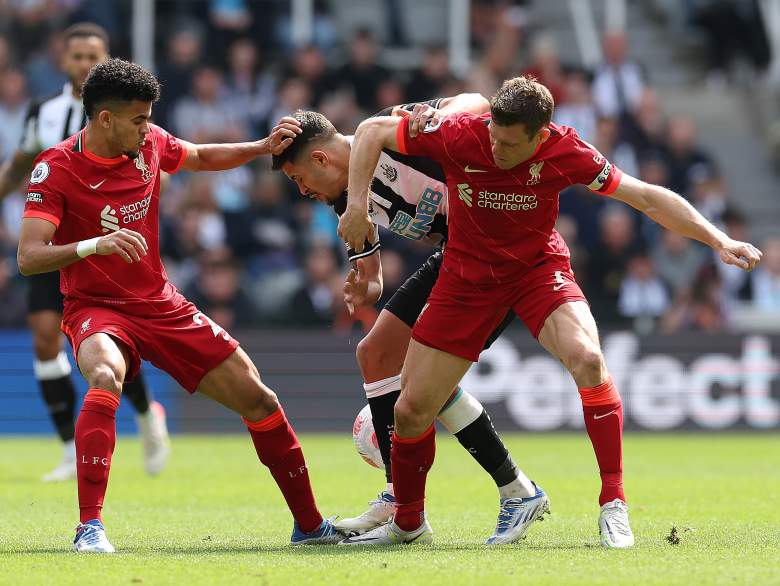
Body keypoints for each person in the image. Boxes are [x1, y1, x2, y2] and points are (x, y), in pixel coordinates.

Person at [338, 76, 762, 548]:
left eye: (509, 142)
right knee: (412, 411)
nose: (496, 148)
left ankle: (613, 505)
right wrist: (357, 205)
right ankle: (409, 522)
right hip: (466, 279)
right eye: (494, 136)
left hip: (536, 272)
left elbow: (644, 196)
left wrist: (718, 239)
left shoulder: (565, 153)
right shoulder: (461, 134)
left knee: (589, 359)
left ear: (540, 136)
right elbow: (373, 131)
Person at [17, 58, 342, 552]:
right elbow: (28, 256)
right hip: (94, 307)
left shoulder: (147, 143)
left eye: (149, 117)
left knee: (260, 399)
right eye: (139, 118)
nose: (148, 126)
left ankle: (311, 527)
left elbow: (200, 157)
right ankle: (89, 528)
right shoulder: (56, 167)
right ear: (106, 120)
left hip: (160, 304)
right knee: (105, 376)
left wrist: (259, 147)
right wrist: (91, 246)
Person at [270, 95, 548, 545]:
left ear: (321, 158)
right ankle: (407, 496)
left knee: (418, 381)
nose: (303, 191)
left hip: (496, 260)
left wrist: (441, 116)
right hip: (456, 258)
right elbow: (372, 272)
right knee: (377, 354)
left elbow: (478, 101)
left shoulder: (387, 128)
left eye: (300, 178)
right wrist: (365, 283)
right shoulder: (343, 196)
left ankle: (493, 494)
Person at [0, 22, 169, 482]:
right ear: (64, 61)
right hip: (54, 243)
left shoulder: (133, 115)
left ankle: (147, 412)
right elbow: (20, 164)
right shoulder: (46, 112)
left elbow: (159, 166)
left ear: (107, 58)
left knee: (111, 341)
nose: (84, 64)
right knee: (42, 337)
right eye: (77, 56)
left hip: (107, 242)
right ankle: (69, 449)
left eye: (93, 55)